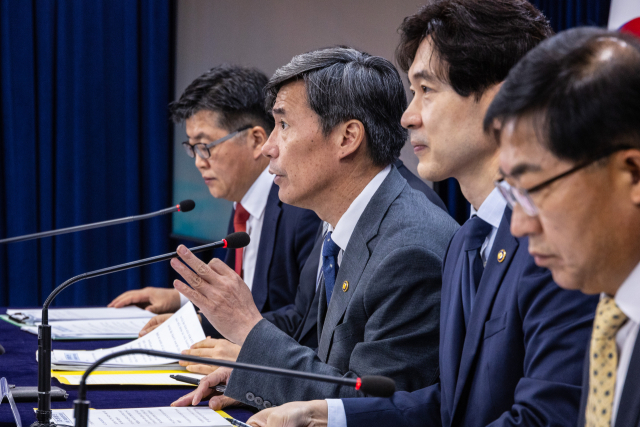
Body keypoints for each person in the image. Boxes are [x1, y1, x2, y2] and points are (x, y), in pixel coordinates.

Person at [247, 2, 598, 426]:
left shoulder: (557, 243)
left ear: (503, 100)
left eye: (427, 90)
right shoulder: (468, 240)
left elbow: (543, 419)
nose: (408, 117)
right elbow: (451, 405)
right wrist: (328, 415)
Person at [169, 46, 459, 410]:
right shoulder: (346, 222)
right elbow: (330, 365)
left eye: (284, 125)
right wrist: (254, 375)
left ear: (347, 138)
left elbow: (368, 408)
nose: (269, 147)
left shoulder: (408, 250)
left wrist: (248, 328)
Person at [485, 27, 640, 427]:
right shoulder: (610, 315)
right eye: (513, 193)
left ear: (634, 173)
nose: (519, 226)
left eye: (535, 189)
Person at [108, 65, 321, 341]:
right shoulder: (242, 206)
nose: (199, 161)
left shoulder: (301, 209)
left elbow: (305, 320)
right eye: (192, 148)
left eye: (205, 146)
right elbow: (243, 297)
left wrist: (197, 325)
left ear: (256, 140)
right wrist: (181, 299)